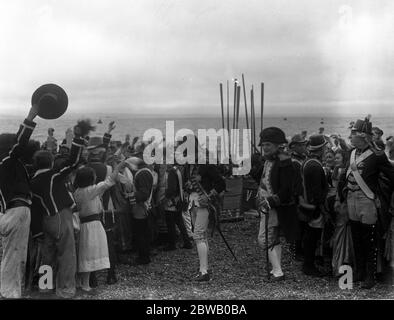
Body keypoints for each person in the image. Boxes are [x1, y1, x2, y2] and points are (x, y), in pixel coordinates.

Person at [30, 121, 89, 298]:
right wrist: (78, 139)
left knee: (47, 256)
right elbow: (73, 162)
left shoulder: (32, 182)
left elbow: (35, 210)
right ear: (50, 162)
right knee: (67, 254)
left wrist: (37, 233)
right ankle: (65, 289)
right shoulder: (53, 175)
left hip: (45, 221)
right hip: (61, 217)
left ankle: (45, 287)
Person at [338, 117, 394, 289]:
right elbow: (344, 176)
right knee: (356, 238)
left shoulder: (377, 155)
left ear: (362, 136)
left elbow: (391, 176)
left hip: (367, 200)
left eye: (353, 134)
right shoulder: (352, 153)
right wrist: (341, 199)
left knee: (369, 239)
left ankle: (370, 276)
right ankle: (359, 272)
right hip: (351, 200)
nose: (350, 137)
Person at [0, 104, 39, 298]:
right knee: (14, 256)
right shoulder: (5, 162)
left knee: (14, 255)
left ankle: (11, 291)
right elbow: (18, 144)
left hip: (11, 212)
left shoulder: (8, 166)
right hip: (16, 211)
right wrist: (30, 117)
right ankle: (9, 294)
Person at [252, 128, 299, 281]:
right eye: (263, 144)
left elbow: (287, 189)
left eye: (268, 145)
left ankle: (278, 272)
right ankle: (275, 270)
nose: (265, 147)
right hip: (266, 205)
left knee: (265, 239)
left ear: (278, 145)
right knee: (273, 238)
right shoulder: (268, 160)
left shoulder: (285, 163)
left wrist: (270, 201)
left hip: (274, 207)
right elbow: (262, 178)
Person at [73, 161, 124, 294]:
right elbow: (108, 182)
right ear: (90, 178)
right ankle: (85, 284)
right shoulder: (89, 191)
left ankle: (83, 282)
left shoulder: (78, 191)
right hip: (92, 226)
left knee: (84, 253)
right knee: (90, 254)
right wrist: (118, 167)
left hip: (85, 224)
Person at [183, 136, 226, 282]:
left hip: (204, 204)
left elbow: (221, 183)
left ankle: (204, 271)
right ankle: (204, 268)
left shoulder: (206, 164)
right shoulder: (190, 165)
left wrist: (209, 197)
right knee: (202, 236)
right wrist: (188, 186)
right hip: (193, 202)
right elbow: (188, 184)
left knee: (198, 235)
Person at [299, 134, 328, 277]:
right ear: (321, 148)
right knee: (313, 236)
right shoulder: (315, 166)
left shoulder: (307, 162)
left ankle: (308, 263)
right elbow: (317, 191)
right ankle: (308, 265)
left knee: (309, 235)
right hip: (313, 207)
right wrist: (321, 205)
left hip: (306, 204)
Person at [126, 157, 154, 265]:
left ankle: (143, 257)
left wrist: (130, 195)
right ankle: (144, 254)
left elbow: (143, 193)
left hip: (141, 207)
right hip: (140, 206)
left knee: (141, 232)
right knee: (142, 232)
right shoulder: (144, 172)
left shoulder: (143, 173)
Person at [163, 163, 192, 251]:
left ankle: (172, 245)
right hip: (179, 199)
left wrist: (166, 197)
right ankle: (187, 242)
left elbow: (171, 188)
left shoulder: (172, 172)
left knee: (170, 224)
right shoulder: (179, 170)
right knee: (180, 222)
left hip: (172, 201)